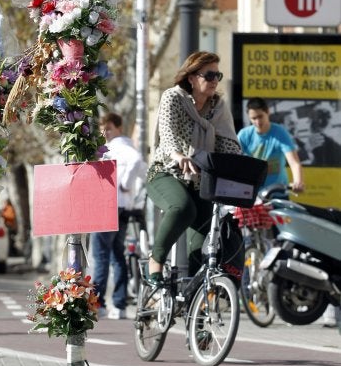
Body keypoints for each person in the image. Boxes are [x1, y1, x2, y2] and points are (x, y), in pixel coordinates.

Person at [146, 51, 241, 285]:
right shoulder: (173, 98)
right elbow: (167, 134)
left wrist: (241, 168)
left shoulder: (218, 107)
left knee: (205, 241)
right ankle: (155, 260)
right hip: (165, 173)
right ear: (191, 77)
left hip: (200, 181)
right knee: (183, 208)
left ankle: (194, 303)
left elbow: (229, 144)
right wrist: (178, 154)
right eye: (209, 75)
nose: (214, 80)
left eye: (217, 75)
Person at [91, 112, 144, 319]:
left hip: (108, 206)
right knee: (117, 254)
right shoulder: (127, 147)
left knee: (101, 256)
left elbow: (137, 161)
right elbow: (144, 169)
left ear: (118, 127)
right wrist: (131, 190)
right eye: (103, 129)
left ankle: (99, 303)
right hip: (123, 207)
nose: (105, 133)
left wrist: (124, 184)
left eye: (108, 128)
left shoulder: (117, 148)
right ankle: (120, 304)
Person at [238, 97, 304, 191]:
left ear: (268, 112)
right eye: (253, 118)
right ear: (249, 117)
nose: (257, 122)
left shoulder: (280, 133)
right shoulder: (244, 135)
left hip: (277, 193)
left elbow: (294, 162)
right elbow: (234, 161)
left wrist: (298, 181)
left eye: (260, 116)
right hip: (251, 194)